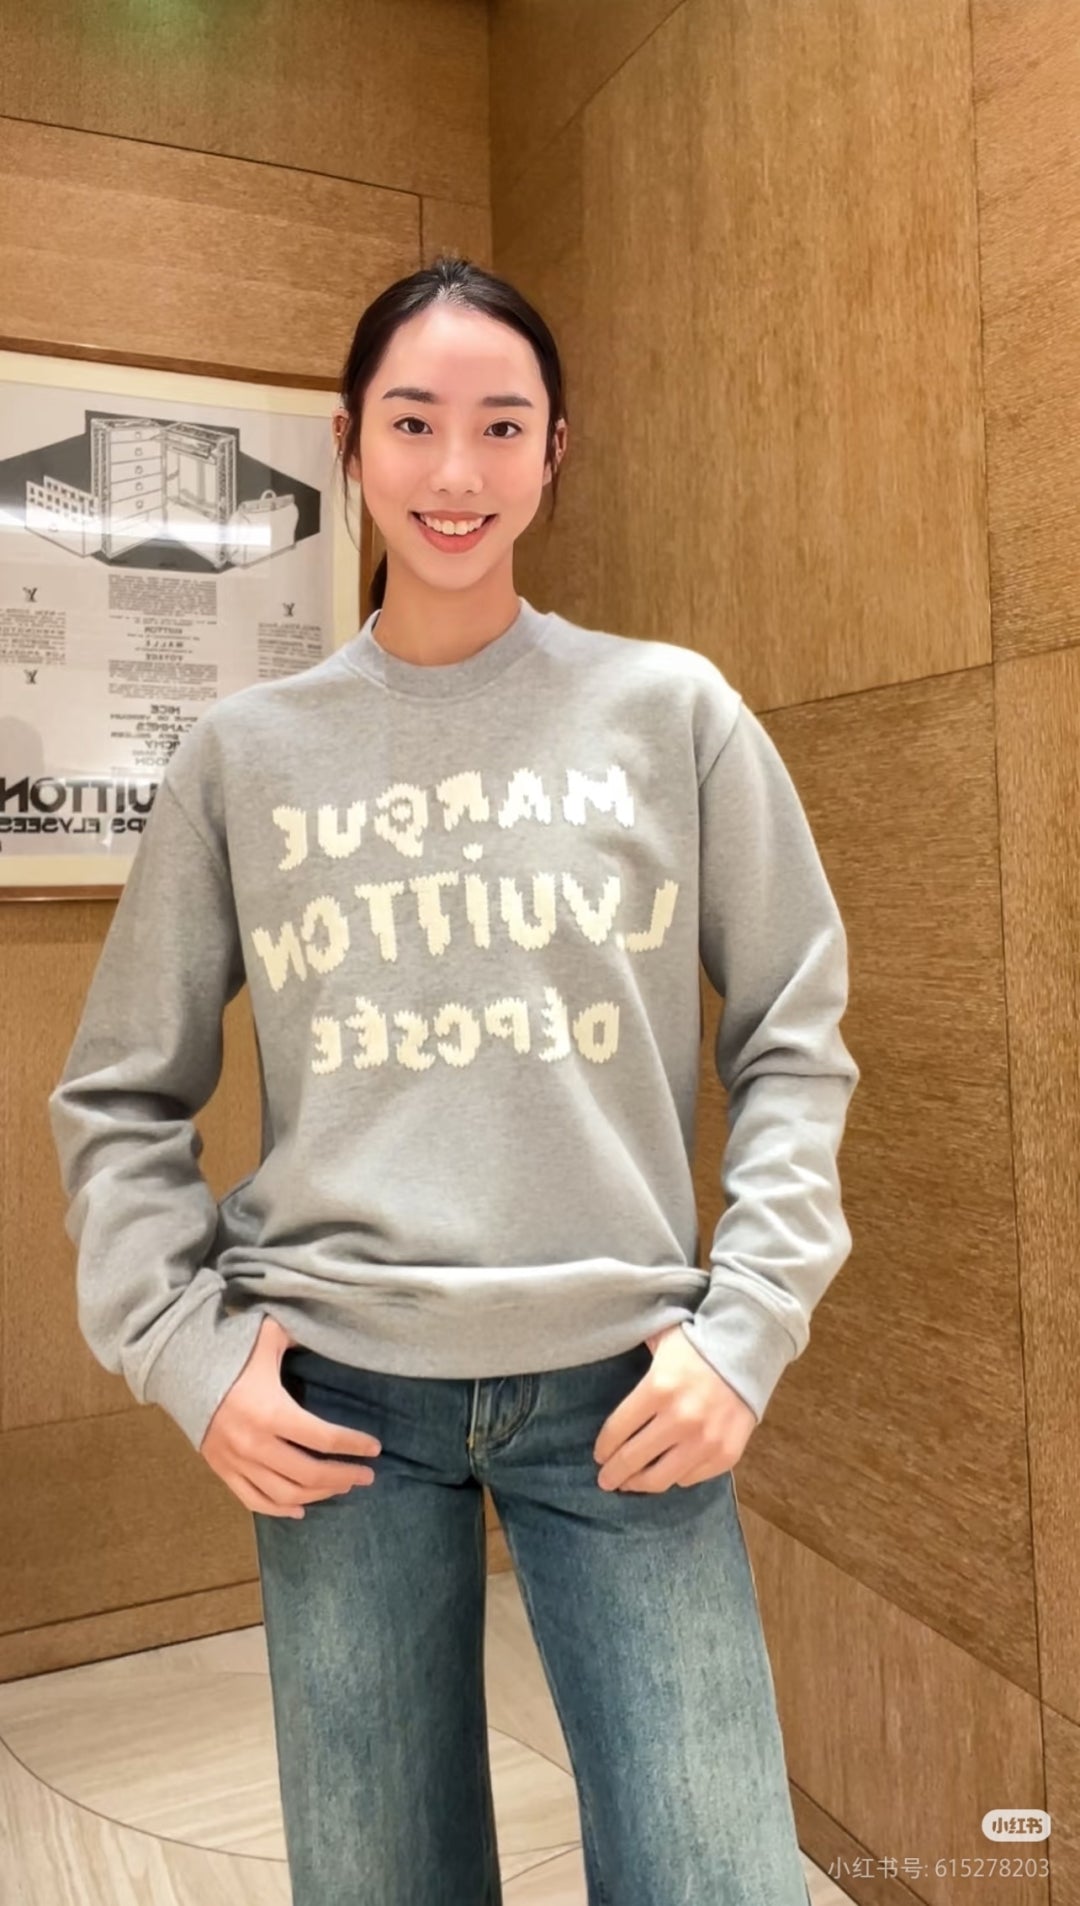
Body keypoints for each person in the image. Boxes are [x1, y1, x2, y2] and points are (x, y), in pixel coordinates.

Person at [48, 252, 858, 1906]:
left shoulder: (673, 714)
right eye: (414, 422)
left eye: (502, 424)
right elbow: (119, 1095)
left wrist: (753, 1319)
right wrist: (185, 1349)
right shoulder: (244, 757)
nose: (457, 470)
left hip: (627, 1393)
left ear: (556, 448)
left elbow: (794, 1029)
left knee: (718, 1874)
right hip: (337, 1401)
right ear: (349, 442)